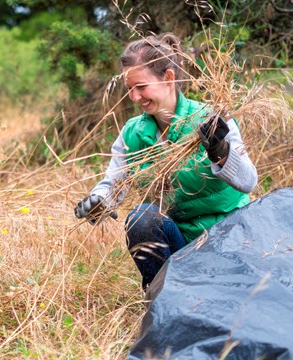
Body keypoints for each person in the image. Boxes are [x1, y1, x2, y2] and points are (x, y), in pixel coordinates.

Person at [74, 33, 258, 289]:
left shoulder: (210, 119)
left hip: (229, 244)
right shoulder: (133, 133)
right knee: (142, 219)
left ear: (169, 78)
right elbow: (113, 184)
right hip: (182, 248)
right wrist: (99, 201)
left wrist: (221, 151)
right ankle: (164, 299)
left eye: (141, 87)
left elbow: (249, 181)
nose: (135, 97)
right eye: (129, 89)